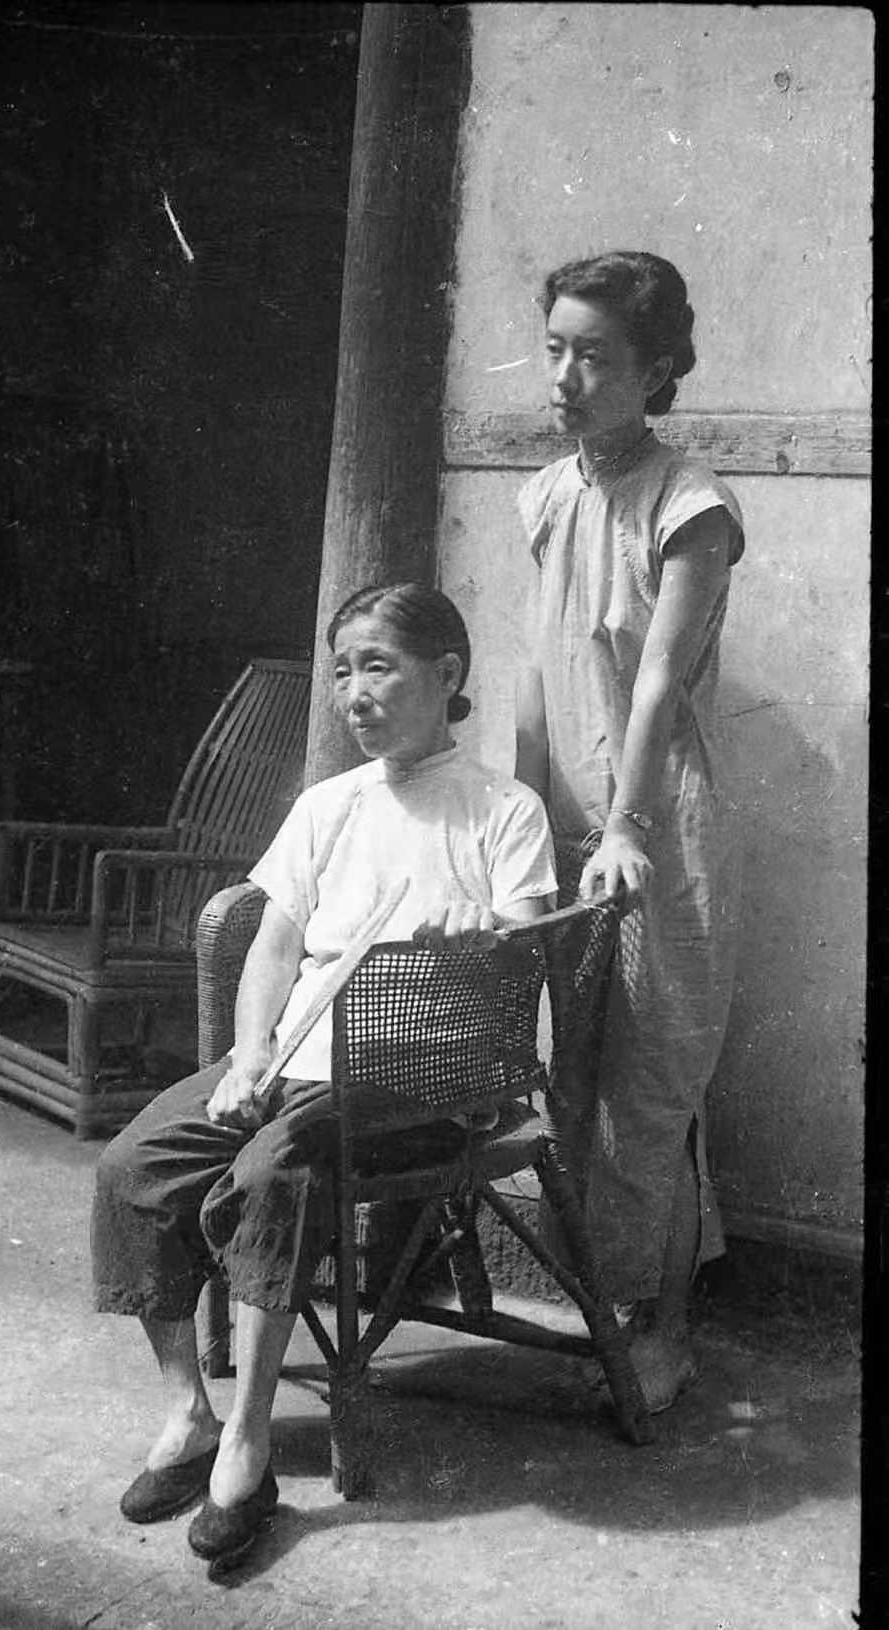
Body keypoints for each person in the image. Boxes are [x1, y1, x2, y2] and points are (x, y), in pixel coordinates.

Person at [91, 582, 557, 1566]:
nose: (353, 692)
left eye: (376, 665)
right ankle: (188, 1413)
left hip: (422, 1081)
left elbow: (525, 949)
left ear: (445, 674)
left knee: (275, 1169)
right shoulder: (327, 806)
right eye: (341, 670)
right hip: (295, 1063)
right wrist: (249, 1053)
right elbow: (273, 944)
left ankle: (248, 1441)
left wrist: (483, 932)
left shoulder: (501, 809)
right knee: (134, 1165)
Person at [514, 249, 745, 1415]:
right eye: (554, 349)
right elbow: (537, 667)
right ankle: (598, 1303)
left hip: (656, 827)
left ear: (653, 372)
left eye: (594, 356)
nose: (564, 376)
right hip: (564, 819)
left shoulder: (690, 506)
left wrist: (624, 825)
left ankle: (667, 1332)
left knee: (651, 1087)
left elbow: (653, 682)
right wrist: (516, 823)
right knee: (566, 1075)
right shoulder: (547, 495)